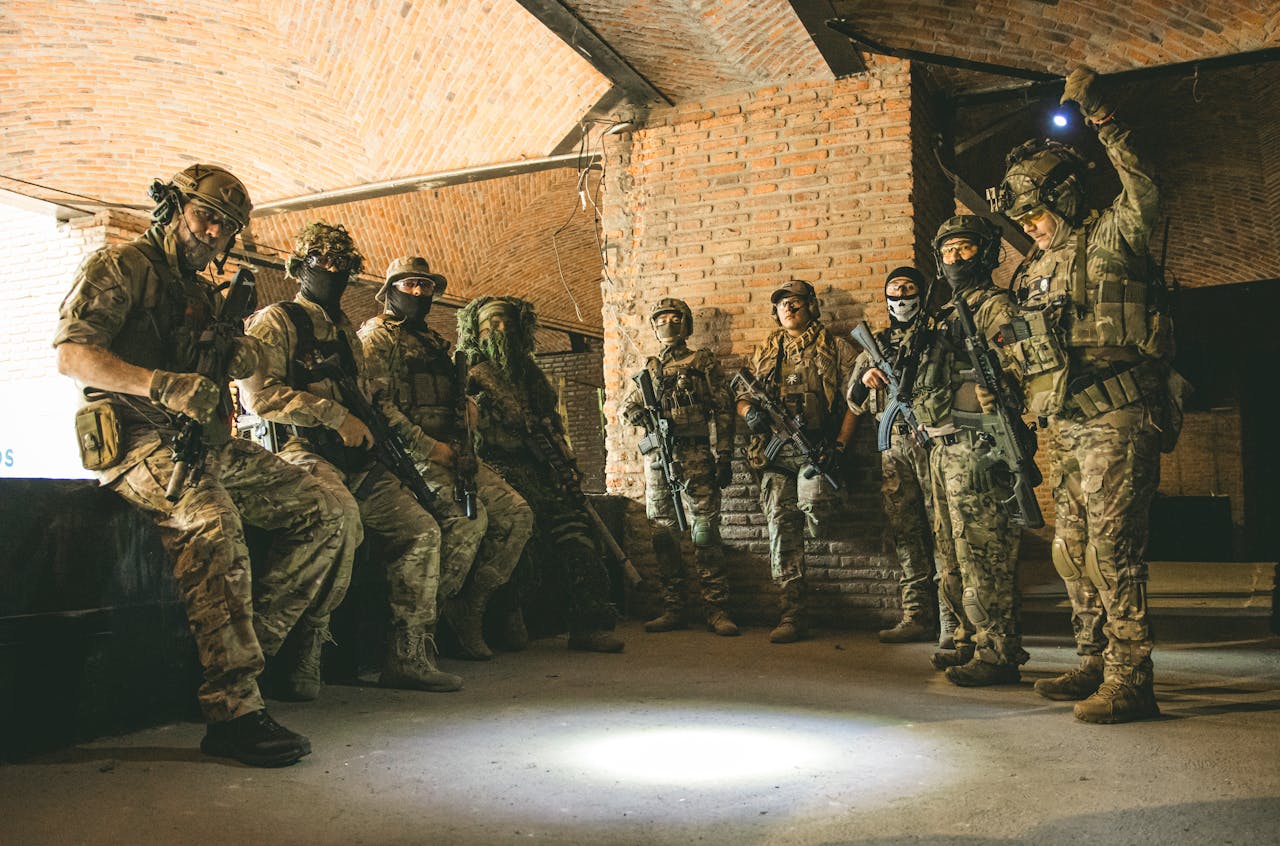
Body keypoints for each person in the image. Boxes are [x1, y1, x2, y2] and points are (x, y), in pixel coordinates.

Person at [53, 164, 352, 766]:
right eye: (207, 217)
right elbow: (74, 355)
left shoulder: (199, 291)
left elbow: (232, 374)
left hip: (203, 438)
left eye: (228, 227)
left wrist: (237, 352)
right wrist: (160, 384)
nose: (215, 233)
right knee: (213, 527)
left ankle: (245, 663)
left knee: (325, 511)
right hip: (137, 438)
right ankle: (233, 711)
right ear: (176, 207)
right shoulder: (119, 268)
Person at [991, 66, 1180, 722]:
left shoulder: (1113, 234)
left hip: (1119, 415)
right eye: (1023, 218)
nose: (1033, 226)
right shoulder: (1034, 270)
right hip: (1067, 426)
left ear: (1066, 198)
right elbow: (1032, 348)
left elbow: (1147, 185)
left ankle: (1133, 676)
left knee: (1113, 550)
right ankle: (1094, 657)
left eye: (1038, 212)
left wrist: (1104, 118)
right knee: (1069, 551)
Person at [239, 223, 462, 694]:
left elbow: (370, 398)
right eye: (325, 265)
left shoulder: (344, 331)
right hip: (299, 449)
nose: (335, 273)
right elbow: (258, 397)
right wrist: (332, 415)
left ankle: (407, 656)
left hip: (356, 458)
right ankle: (293, 655)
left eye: (344, 266)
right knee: (341, 522)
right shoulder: (275, 320)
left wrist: (396, 439)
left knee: (421, 529)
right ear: (301, 269)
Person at [358, 256, 533, 660]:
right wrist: (429, 448)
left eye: (425, 286)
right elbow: (378, 408)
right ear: (391, 291)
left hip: (453, 452)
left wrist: (470, 411)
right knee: (469, 521)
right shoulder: (377, 338)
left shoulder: (434, 342)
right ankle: (419, 630)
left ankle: (467, 608)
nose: (419, 293)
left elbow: (450, 399)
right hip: (409, 457)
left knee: (516, 515)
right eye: (410, 285)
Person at [455, 296, 623, 654]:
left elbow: (551, 425)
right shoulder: (470, 371)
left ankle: (588, 623)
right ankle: (509, 613)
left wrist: (566, 466)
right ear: (478, 331)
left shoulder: (529, 377)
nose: (501, 332)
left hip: (540, 465)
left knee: (576, 531)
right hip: (495, 465)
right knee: (520, 529)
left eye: (508, 324)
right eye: (492, 325)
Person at [910, 215, 1028, 686]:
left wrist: (1000, 386)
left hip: (977, 447)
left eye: (965, 248)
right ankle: (969, 639)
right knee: (950, 557)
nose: (956, 258)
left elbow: (1021, 363)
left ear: (985, 253)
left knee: (983, 552)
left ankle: (999, 651)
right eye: (949, 251)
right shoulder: (941, 312)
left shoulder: (997, 305)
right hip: (941, 448)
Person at [736, 279, 857, 644]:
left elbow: (856, 402)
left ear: (812, 306)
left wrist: (838, 446)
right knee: (781, 528)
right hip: (775, 453)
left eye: (796, 302)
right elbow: (741, 397)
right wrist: (750, 415)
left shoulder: (836, 348)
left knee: (819, 517)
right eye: (783, 304)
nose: (789, 309)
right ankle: (792, 612)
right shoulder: (765, 352)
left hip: (816, 449)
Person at [847, 267, 956, 645]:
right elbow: (853, 401)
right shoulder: (875, 345)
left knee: (944, 532)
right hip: (892, 451)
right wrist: (866, 379)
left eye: (909, 288)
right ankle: (916, 615)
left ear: (921, 294)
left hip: (935, 445)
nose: (901, 295)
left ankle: (952, 621)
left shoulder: (936, 337)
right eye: (894, 289)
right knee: (906, 534)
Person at [620, 298, 739, 637]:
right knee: (662, 535)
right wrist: (640, 415)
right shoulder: (650, 369)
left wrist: (725, 455)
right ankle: (674, 607)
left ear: (685, 324)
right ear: (654, 326)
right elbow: (627, 408)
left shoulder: (702, 363)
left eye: (674, 317)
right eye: (661, 318)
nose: (668, 323)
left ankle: (716, 608)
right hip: (658, 461)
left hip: (697, 456)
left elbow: (723, 411)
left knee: (705, 532)